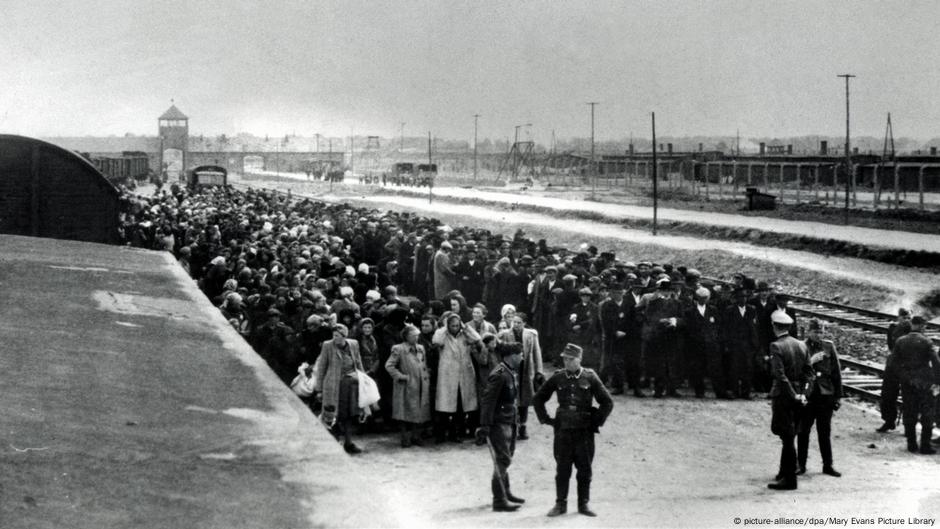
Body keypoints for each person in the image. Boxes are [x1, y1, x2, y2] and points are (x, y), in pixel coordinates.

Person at [533, 343, 614, 517]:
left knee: (584, 469)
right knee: (562, 469)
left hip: (584, 431)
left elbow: (607, 402)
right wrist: (546, 420)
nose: (567, 362)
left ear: (579, 359)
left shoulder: (590, 377)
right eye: (565, 359)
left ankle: (583, 504)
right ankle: (560, 504)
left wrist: (596, 422)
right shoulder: (558, 377)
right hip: (563, 430)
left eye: (570, 359)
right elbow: (539, 398)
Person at [475, 342, 526, 512]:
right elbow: (488, 401)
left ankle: (506, 492)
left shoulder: (509, 372)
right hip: (498, 423)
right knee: (503, 459)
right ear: (511, 356)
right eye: (520, 354)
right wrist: (485, 425)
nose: (522, 357)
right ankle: (499, 500)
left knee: (506, 456)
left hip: (509, 420)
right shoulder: (499, 374)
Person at [767, 311, 814, 490]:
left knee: (786, 437)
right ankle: (783, 471)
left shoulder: (776, 346)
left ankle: (789, 479)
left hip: (784, 396)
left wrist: (793, 394)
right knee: (790, 434)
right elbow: (810, 374)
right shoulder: (801, 345)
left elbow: (780, 376)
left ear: (774, 327)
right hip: (799, 397)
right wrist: (804, 394)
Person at [797, 319, 842, 477]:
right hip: (809, 394)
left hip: (825, 395)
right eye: (815, 332)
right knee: (803, 431)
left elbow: (836, 372)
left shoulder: (829, 346)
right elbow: (797, 369)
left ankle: (827, 465)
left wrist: (838, 396)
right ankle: (800, 464)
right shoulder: (801, 346)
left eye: (821, 332)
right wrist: (812, 360)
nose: (818, 335)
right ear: (809, 332)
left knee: (824, 432)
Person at [315, 323, 366, 454]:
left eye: (338, 336)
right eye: (334, 335)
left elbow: (358, 363)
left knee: (349, 414)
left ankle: (348, 443)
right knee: (332, 415)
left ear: (345, 336)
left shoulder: (353, 344)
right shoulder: (328, 346)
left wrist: (364, 380)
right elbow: (321, 368)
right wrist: (319, 389)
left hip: (350, 385)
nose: (335, 338)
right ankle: (334, 444)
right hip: (332, 385)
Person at [893, 316, 940, 454]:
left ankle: (911, 444)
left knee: (909, 411)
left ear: (912, 325)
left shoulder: (900, 341)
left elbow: (893, 363)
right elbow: (936, 363)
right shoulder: (926, 342)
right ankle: (925, 445)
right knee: (927, 413)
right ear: (921, 326)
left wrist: (904, 376)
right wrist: (937, 382)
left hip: (907, 382)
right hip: (925, 381)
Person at [432, 313, 482, 442]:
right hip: (448, 375)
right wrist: (444, 327)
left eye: (457, 325)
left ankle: (457, 433)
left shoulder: (464, 335)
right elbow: (436, 341)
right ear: (447, 325)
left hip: (464, 374)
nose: (455, 328)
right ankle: (441, 435)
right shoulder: (442, 335)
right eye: (452, 325)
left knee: (461, 405)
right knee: (444, 407)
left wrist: (465, 327)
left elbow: (477, 339)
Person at [497, 314, 544, 440]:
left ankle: (523, 426)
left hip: (526, 370)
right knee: (511, 398)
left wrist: (539, 371)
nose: (516, 325)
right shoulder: (505, 334)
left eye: (519, 322)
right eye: (514, 322)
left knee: (524, 400)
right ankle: (512, 426)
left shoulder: (531, 335)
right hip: (511, 370)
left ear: (524, 323)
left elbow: (536, 353)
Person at [385, 324, 432, 447]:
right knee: (405, 412)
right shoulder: (399, 349)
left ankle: (415, 435)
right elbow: (389, 365)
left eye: (417, 335)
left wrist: (426, 375)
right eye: (413, 336)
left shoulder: (421, 348)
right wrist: (401, 377)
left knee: (419, 410)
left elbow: (423, 364)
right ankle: (404, 437)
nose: (416, 338)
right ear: (406, 336)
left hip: (420, 383)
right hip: (406, 385)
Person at [877, 309, 912, 432]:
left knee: (909, 397)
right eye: (904, 318)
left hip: (908, 366)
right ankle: (889, 421)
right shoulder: (893, 328)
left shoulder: (914, 331)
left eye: (909, 318)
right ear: (899, 318)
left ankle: (909, 426)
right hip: (893, 365)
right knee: (887, 394)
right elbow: (890, 346)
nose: (907, 320)